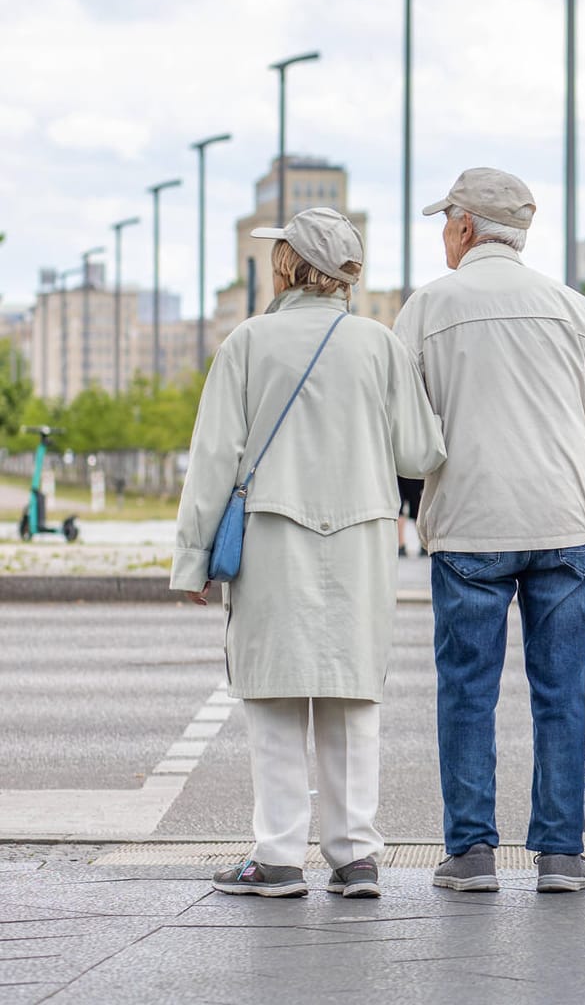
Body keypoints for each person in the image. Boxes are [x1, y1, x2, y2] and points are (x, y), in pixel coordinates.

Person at [172, 208, 447, 898]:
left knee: (274, 699)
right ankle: (356, 857)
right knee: (352, 700)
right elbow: (420, 451)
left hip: (270, 539)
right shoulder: (378, 345)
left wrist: (192, 559)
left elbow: (213, 458)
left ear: (290, 264)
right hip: (359, 539)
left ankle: (278, 857)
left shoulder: (248, 341)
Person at [394, 168, 585, 895]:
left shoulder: (427, 309)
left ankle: (470, 853)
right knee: (561, 692)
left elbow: (406, 438)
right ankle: (561, 853)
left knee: (467, 691)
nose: (444, 232)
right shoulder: (573, 309)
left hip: (469, 527)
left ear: (467, 228)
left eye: (447, 221)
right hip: (564, 526)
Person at [397, 475, 424, 556]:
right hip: (412, 474)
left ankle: (400, 546)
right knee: (417, 508)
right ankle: (423, 544)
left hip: (398, 473)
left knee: (400, 508)